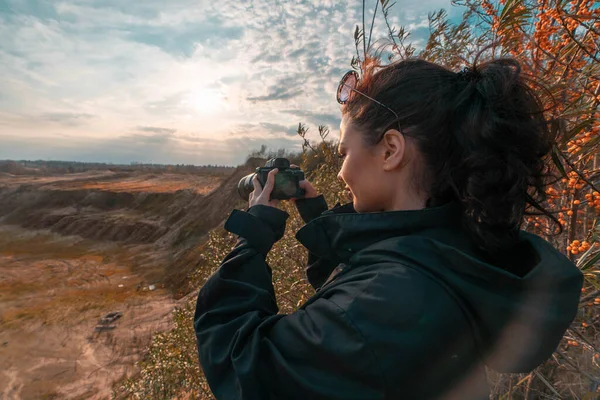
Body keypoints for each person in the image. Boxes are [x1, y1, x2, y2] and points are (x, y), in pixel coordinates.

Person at [193, 57, 583, 399]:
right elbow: (357, 283)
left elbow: (242, 362)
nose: (342, 170)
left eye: (345, 152)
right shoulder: (449, 250)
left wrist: (254, 238)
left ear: (391, 150)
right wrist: (316, 215)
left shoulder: (387, 304)